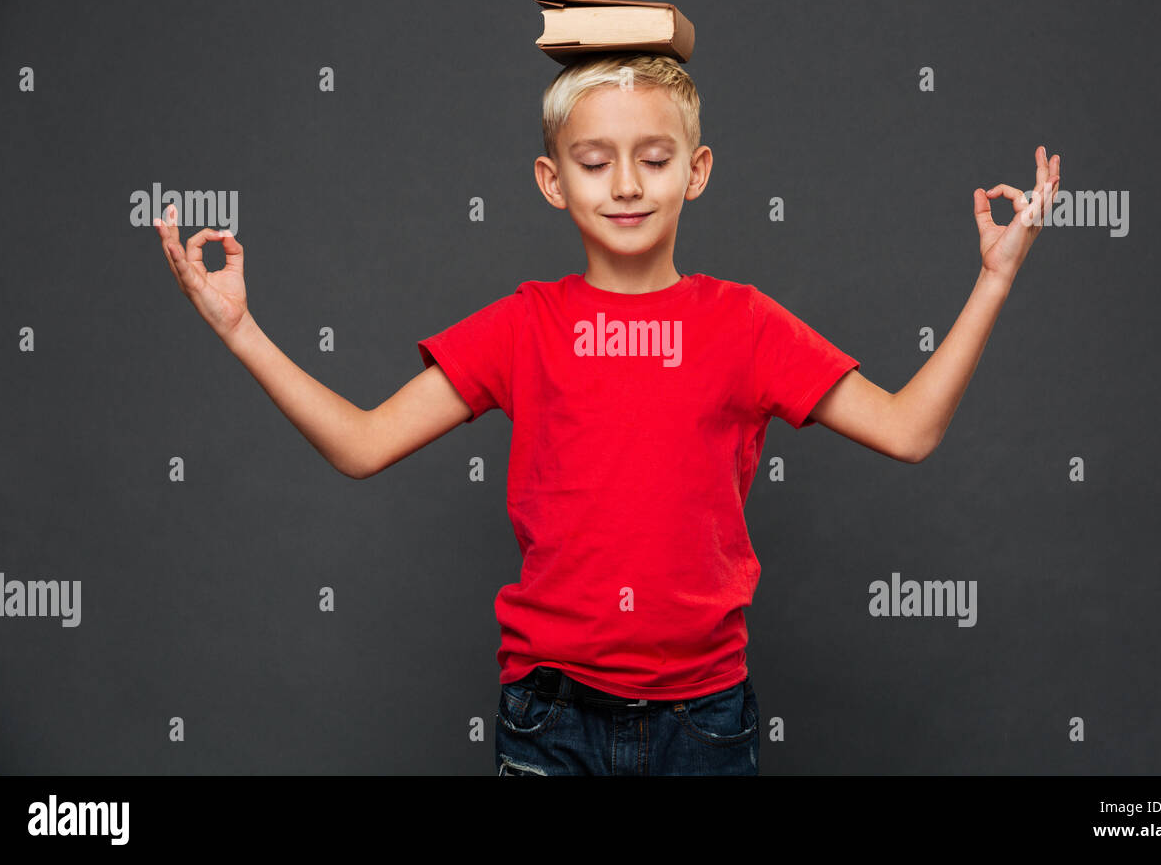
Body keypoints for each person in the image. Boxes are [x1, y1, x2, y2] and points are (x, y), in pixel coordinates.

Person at [153, 52, 1060, 775]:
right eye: (595, 162)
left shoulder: (743, 323)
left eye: (655, 158)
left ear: (696, 171)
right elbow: (360, 444)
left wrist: (994, 279)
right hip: (550, 714)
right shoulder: (523, 325)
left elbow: (910, 430)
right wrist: (242, 331)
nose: (626, 183)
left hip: (704, 717)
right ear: (553, 180)